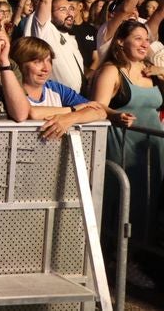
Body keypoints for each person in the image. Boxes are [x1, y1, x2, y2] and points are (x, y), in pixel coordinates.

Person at [87, 19, 164, 257]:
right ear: (121, 41)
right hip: (123, 147)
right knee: (125, 205)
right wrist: (115, 115)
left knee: (149, 206)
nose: (144, 44)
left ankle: (138, 259)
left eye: (147, 39)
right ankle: (118, 262)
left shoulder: (151, 70)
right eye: (138, 38)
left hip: (153, 151)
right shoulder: (112, 70)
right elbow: (96, 106)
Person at [9, 36, 124, 139]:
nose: (46, 68)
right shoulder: (10, 88)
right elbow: (31, 113)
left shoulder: (56, 89)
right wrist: (73, 109)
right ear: (20, 63)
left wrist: (70, 118)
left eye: (49, 61)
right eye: (37, 62)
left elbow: (100, 112)